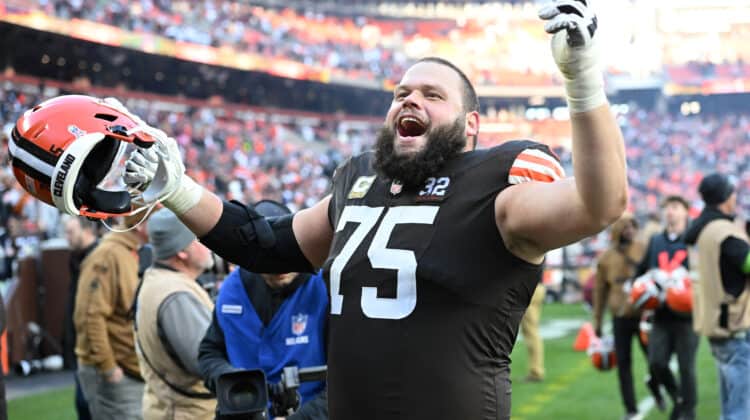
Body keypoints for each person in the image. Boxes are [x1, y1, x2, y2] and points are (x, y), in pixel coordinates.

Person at [119, 2, 628, 418]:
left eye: (433, 95)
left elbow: (600, 203)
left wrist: (581, 79)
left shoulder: (495, 184)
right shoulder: (358, 179)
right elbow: (264, 245)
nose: (411, 100)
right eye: (402, 93)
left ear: (471, 125)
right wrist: (179, 189)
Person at [198, 200, 328, 420]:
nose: (279, 269)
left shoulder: (325, 288)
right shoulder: (233, 288)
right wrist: (233, 379)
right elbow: (209, 354)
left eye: (284, 257)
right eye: (269, 261)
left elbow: (347, 380)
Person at [134, 209, 217, 419]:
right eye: (198, 238)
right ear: (182, 252)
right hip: (188, 412)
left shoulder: (158, 278)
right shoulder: (176, 295)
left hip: (170, 407)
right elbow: (206, 361)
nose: (208, 245)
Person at [685, 173, 750, 420]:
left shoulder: (700, 229)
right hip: (733, 326)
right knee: (740, 410)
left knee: (729, 405)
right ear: (725, 197)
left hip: (713, 321)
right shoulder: (724, 231)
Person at [74, 212, 150, 420]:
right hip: (117, 375)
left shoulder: (133, 252)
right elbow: (90, 316)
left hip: (133, 371)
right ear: (141, 226)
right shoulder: (108, 255)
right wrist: (108, 367)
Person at [635, 195, 698, 420]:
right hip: (660, 313)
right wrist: (641, 285)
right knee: (656, 362)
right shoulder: (655, 241)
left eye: (674, 207)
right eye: (666, 208)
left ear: (685, 211)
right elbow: (641, 270)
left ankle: (688, 413)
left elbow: (703, 274)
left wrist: (684, 281)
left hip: (686, 315)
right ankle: (678, 398)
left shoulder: (693, 240)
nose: (669, 212)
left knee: (686, 367)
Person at [593, 214, 657, 419]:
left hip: (643, 315)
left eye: (632, 226)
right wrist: (598, 321)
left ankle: (657, 386)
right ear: (616, 231)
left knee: (656, 360)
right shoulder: (605, 259)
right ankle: (630, 409)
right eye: (625, 227)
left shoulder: (643, 248)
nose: (629, 230)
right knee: (623, 365)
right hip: (620, 317)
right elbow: (599, 292)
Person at [63, 215, 99, 420]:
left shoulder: (99, 258)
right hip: (80, 344)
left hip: (94, 346)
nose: (67, 237)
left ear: (86, 231)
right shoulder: (75, 259)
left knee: (89, 405)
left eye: (71, 232)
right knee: (83, 406)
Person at [520, 282, 546, 382]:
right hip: (534, 287)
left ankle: (536, 371)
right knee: (531, 331)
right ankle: (536, 370)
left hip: (530, 288)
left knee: (531, 332)